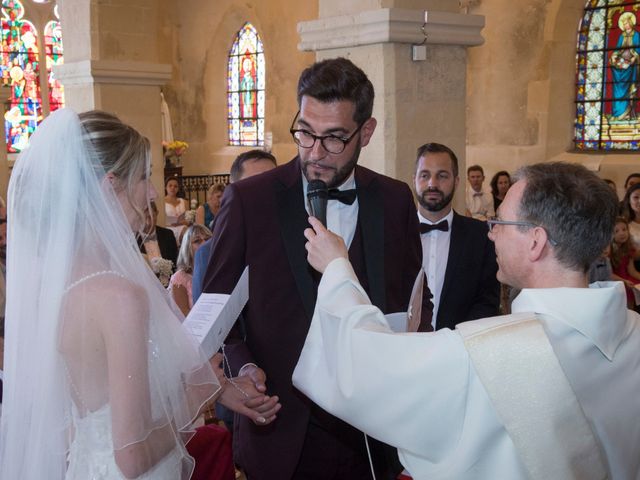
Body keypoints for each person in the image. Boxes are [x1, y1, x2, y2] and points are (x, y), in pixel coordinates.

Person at [294, 162, 640, 479]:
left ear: (535, 242)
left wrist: (338, 269)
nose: (491, 233)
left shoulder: (485, 354)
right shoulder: (634, 331)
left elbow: (363, 366)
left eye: (500, 222)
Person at [0, 109, 280, 479]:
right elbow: (131, 456)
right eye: (144, 176)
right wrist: (198, 398)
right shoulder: (118, 295)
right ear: (110, 186)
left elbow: (91, 405)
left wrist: (220, 386)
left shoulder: (54, 285)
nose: (152, 191)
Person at [203, 57, 427, 480]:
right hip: (281, 428)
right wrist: (243, 368)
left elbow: (416, 298)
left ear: (367, 132)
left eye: (335, 138)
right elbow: (216, 313)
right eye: (305, 133)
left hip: (371, 432)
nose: (316, 152)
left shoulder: (395, 200)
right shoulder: (250, 200)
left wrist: (411, 361)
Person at [413, 143, 499, 330]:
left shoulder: (481, 237)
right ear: (414, 180)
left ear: (457, 182)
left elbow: (487, 301)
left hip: (461, 348)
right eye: (425, 175)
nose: (432, 184)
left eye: (442, 176)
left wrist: (457, 342)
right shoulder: (395, 233)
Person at [192, 149, 277, 304]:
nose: (266, 191)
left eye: (273, 182)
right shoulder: (208, 254)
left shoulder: (297, 242)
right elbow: (206, 318)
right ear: (234, 190)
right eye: (255, 184)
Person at [168, 223, 212, 316]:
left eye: (207, 239)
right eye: (197, 241)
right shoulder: (180, 277)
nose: (204, 244)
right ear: (187, 248)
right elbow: (183, 315)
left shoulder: (217, 271)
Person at [610, 11, 640, 120]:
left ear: (631, 23)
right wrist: (614, 56)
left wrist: (633, 58)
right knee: (617, 87)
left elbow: (638, 50)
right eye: (624, 23)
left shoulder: (636, 35)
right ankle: (618, 113)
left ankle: (627, 113)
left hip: (631, 65)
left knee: (629, 89)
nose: (626, 25)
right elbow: (618, 49)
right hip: (622, 63)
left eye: (627, 23)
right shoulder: (622, 35)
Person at [139, 200, 179, 270]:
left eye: (151, 217)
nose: (148, 223)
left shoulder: (168, 235)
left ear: (157, 213)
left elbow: (175, 263)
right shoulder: (133, 238)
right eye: (145, 218)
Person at [610, 217, 640, 308]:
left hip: (627, 278)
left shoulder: (628, 249)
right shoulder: (608, 251)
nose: (622, 233)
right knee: (626, 289)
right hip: (615, 281)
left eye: (624, 229)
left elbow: (632, 271)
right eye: (616, 231)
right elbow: (608, 274)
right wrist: (624, 281)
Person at [164, 176, 189, 241]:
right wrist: (178, 221)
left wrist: (178, 223)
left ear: (178, 189)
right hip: (168, 228)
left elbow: (187, 220)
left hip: (183, 228)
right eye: (170, 186)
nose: (173, 188)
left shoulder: (184, 202)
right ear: (165, 187)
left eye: (175, 186)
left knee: (187, 231)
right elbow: (162, 220)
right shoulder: (162, 202)